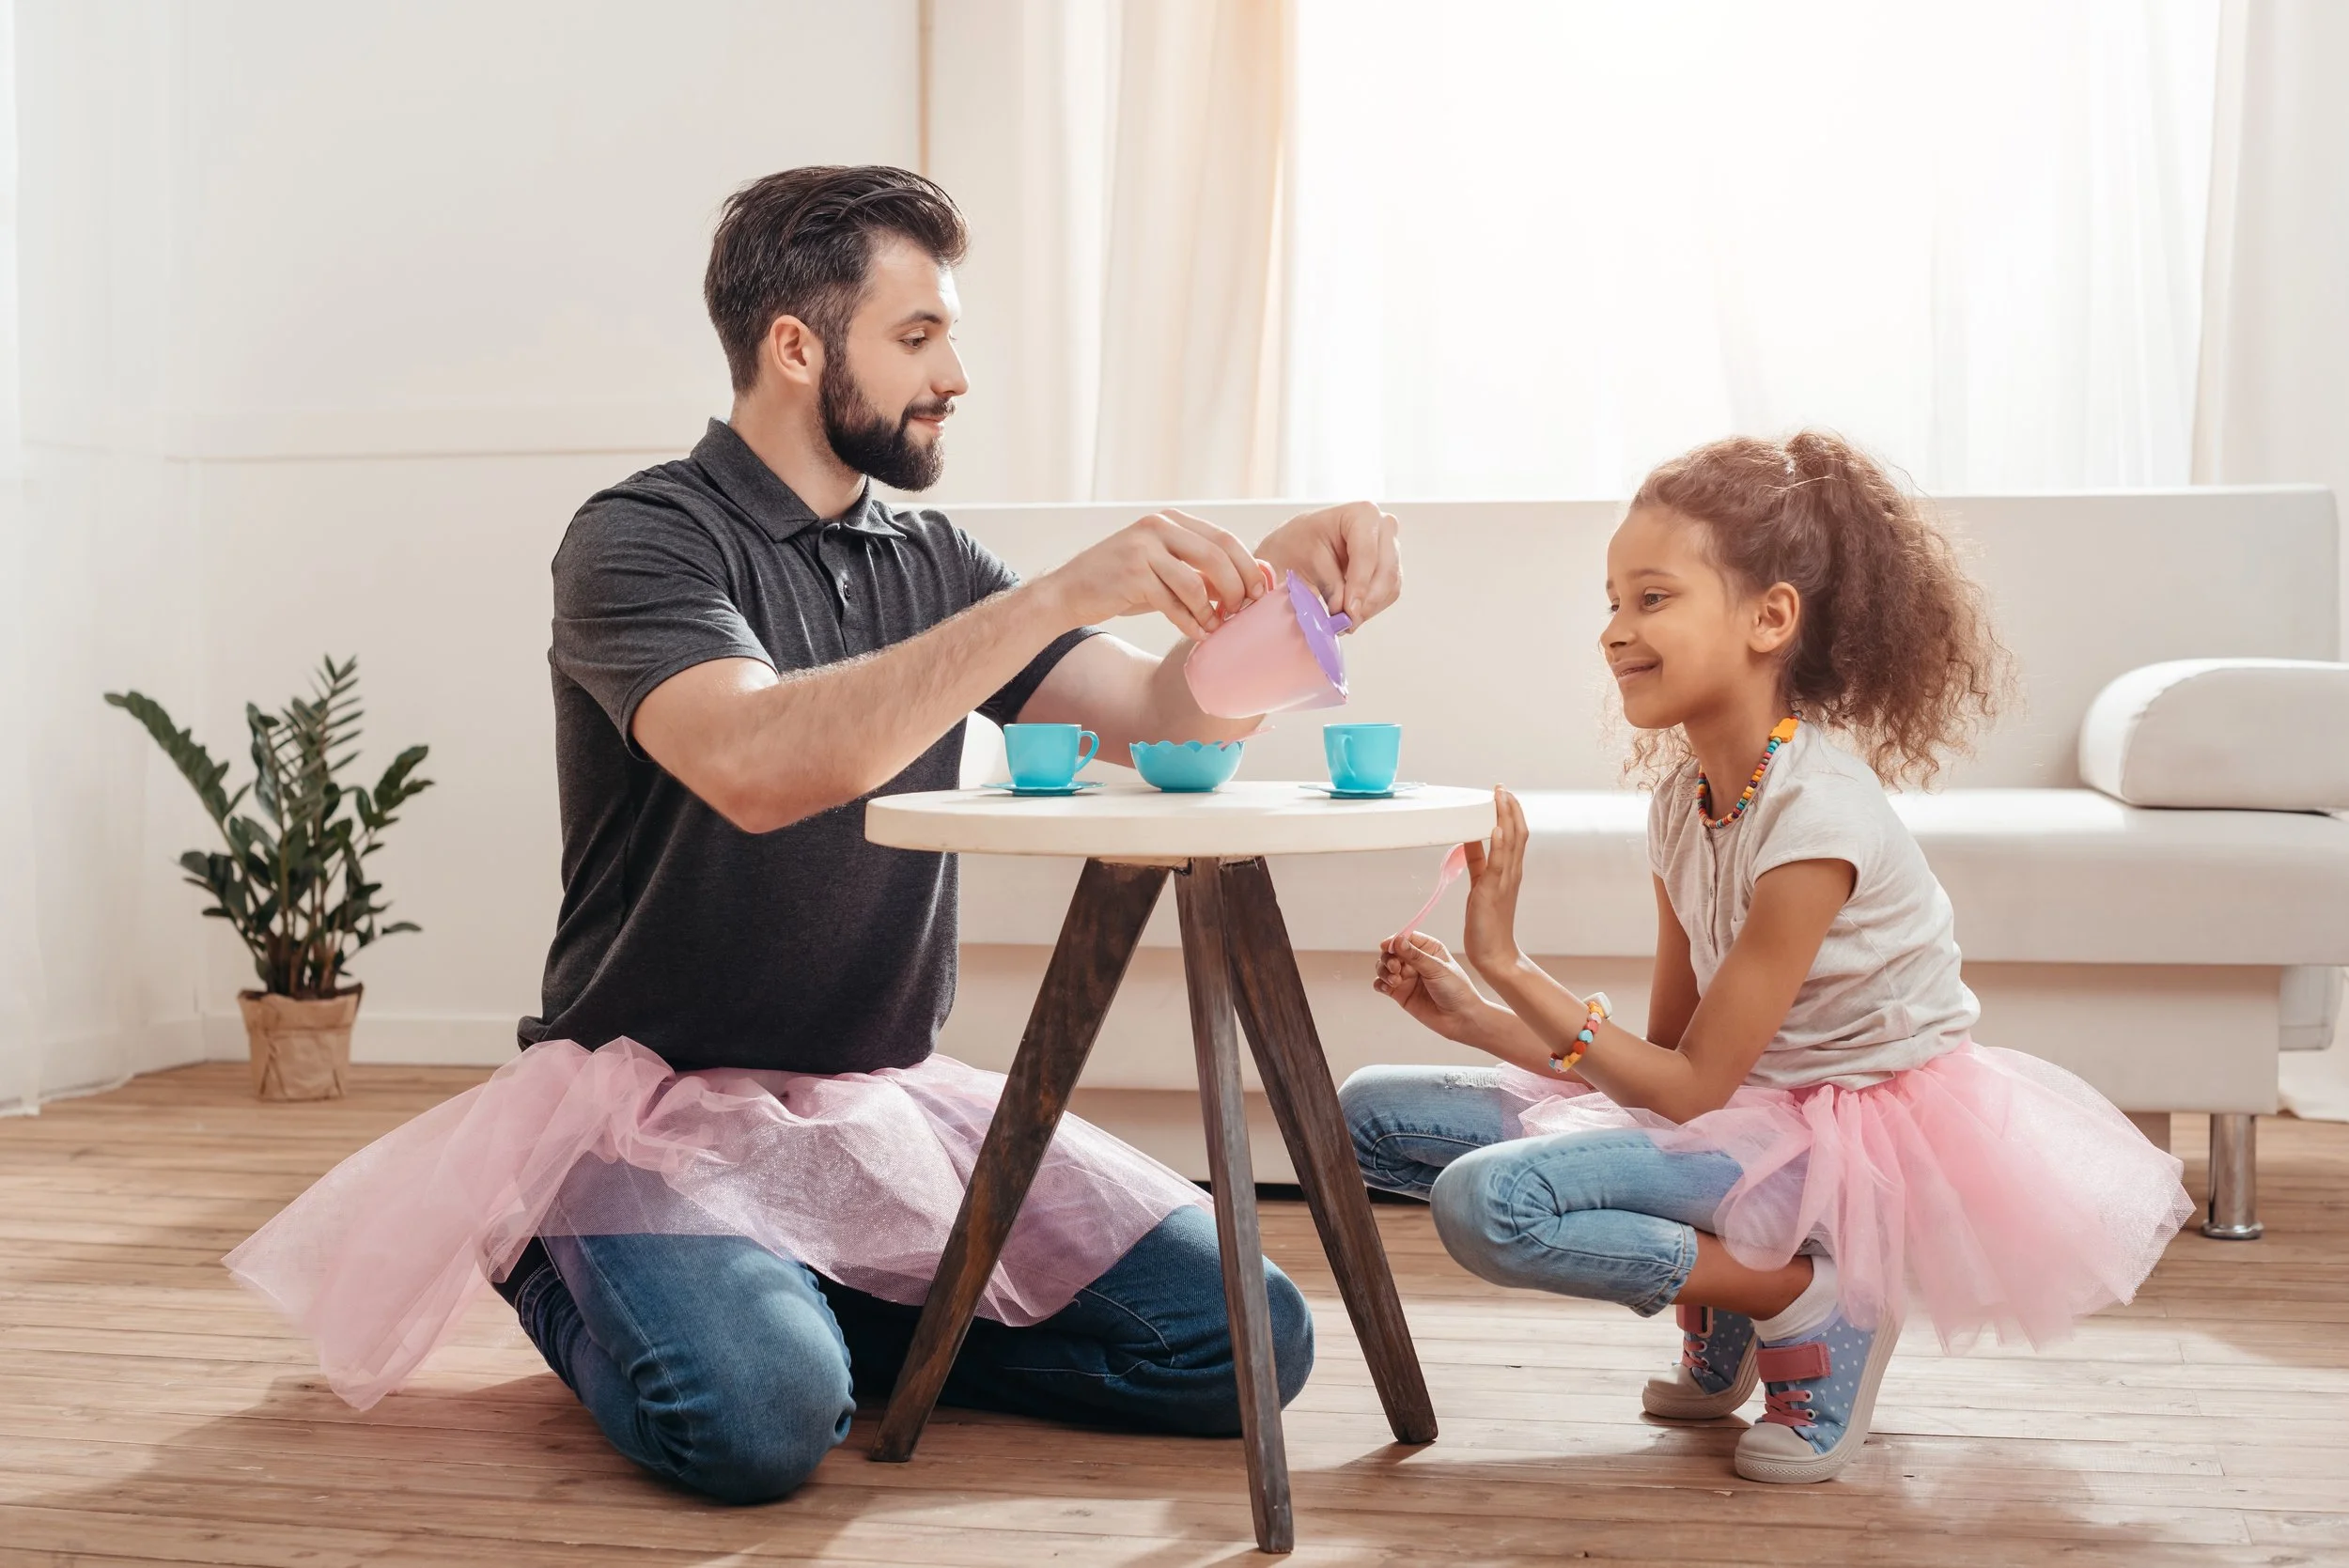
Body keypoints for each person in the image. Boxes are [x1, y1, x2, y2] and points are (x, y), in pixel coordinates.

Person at [226, 165, 1406, 1504]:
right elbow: (761, 763)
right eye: (917, 338)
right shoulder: (641, 539)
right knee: (760, 1422)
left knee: (1250, 1339)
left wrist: (1286, 600)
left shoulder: (935, 562)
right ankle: (571, 1260)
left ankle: (829, 1304)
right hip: (645, 1106)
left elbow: (1153, 717)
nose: (955, 372)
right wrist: (1064, 590)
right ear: (796, 346)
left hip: (872, 1101)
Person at [1342, 431, 2192, 1484]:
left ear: (1769, 618)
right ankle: (1738, 1297)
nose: (1613, 631)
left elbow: (1694, 1089)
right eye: (1609, 601)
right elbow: (1664, 1061)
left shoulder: (1814, 820)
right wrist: (1475, 1013)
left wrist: (1509, 962)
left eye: (1651, 599)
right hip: (1733, 1113)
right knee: (1363, 1116)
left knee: (1489, 1203)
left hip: (1836, 1137)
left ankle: (1800, 1299)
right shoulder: (1682, 800)